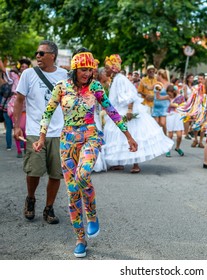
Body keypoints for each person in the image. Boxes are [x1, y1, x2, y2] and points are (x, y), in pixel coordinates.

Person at [32, 48, 138, 258]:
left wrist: (128, 136)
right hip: (68, 140)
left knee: (83, 175)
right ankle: (80, 239)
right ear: (74, 69)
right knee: (72, 193)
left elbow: (112, 111)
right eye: (83, 69)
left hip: (90, 135)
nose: (87, 74)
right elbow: (47, 113)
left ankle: (92, 216)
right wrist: (42, 137)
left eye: (90, 70)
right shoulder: (61, 88)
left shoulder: (96, 87)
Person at [13, 40, 68, 224]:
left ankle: (49, 207)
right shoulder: (28, 74)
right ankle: (31, 198)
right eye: (36, 53)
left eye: (41, 53)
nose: (37, 56)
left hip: (59, 132)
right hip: (35, 131)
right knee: (34, 171)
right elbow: (20, 99)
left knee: (56, 173)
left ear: (52, 55)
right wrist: (16, 125)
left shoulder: (65, 75)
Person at [103, 54, 173, 174]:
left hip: (126, 111)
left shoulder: (120, 79)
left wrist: (130, 110)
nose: (105, 70)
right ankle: (119, 162)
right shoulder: (115, 79)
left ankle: (136, 163)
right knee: (120, 137)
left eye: (107, 67)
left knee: (133, 135)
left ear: (113, 68)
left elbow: (131, 95)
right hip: (119, 111)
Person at [155, 84, 185, 157]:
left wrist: (175, 105)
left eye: (170, 93)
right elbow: (158, 97)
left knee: (179, 135)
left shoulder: (180, 97)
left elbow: (184, 105)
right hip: (170, 115)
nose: (169, 95)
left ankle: (177, 147)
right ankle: (168, 149)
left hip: (178, 115)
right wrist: (157, 90)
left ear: (173, 91)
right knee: (170, 134)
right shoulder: (168, 97)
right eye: (168, 93)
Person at [152, 69, 171, 135]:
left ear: (160, 75)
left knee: (162, 123)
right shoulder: (156, 84)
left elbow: (171, 95)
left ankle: (165, 136)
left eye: (157, 75)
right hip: (156, 106)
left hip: (164, 106)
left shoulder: (168, 84)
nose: (156, 76)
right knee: (156, 123)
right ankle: (158, 137)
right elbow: (151, 90)